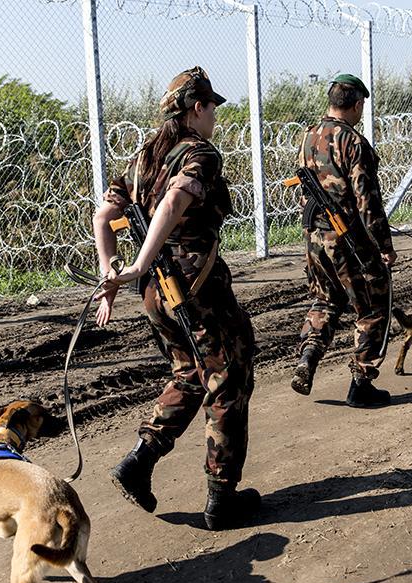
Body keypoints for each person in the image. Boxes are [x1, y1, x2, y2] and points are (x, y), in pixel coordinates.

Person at [91, 67, 259, 531]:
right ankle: (222, 498)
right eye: (212, 109)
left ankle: (138, 462)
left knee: (190, 373)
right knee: (228, 375)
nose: (214, 119)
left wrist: (113, 269)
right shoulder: (199, 153)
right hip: (194, 286)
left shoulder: (142, 158)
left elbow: (103, 216)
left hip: (156, 295)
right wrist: (140, 264)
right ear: (196, 108)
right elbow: (173, 204)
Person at [290, 73, 397, 408]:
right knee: (373, 305)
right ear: (357, 104)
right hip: (348, 239)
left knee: (324, 301)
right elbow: (367, 200)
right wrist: (384, 245)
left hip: (314, 236)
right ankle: (361, 382)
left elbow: (304, 188)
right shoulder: (353, 142)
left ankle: (308, 357)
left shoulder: (308, 136)